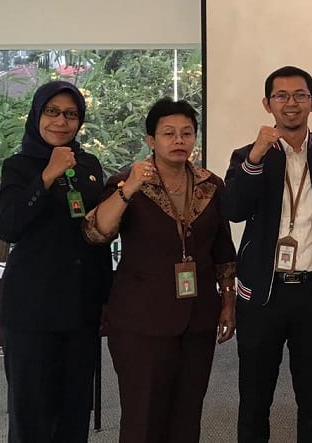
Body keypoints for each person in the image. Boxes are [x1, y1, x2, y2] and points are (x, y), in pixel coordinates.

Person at [83, 97, 237, 443]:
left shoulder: (210, 185)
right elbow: (96, 232)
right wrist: (128, 190)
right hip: (141, 321)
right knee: (144, 416)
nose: (179, 140)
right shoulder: (127, 183)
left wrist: (228, 301)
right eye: (169, 133)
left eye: (187, 132)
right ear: (151, 140)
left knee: (187, 413)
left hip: (198, 317)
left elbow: (223, 251)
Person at [223, 65, 312, 443]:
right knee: (254, 398)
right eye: (281, 96)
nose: (291, 103)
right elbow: (233, 209)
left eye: (300, 95)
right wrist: (256, 157)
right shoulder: (247, 155)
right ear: (267, 104)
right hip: (262, 294)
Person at [0, 80, 113, 443]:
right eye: (52, 112)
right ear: (36, 115)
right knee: (32, 412)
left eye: (71, 114)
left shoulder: (88, 164)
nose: (61, 121)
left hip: (80, 307)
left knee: (74, 411)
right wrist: (47, 175)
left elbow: (96, 227)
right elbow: (9, 227)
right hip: (33, 310)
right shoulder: (18, 166)